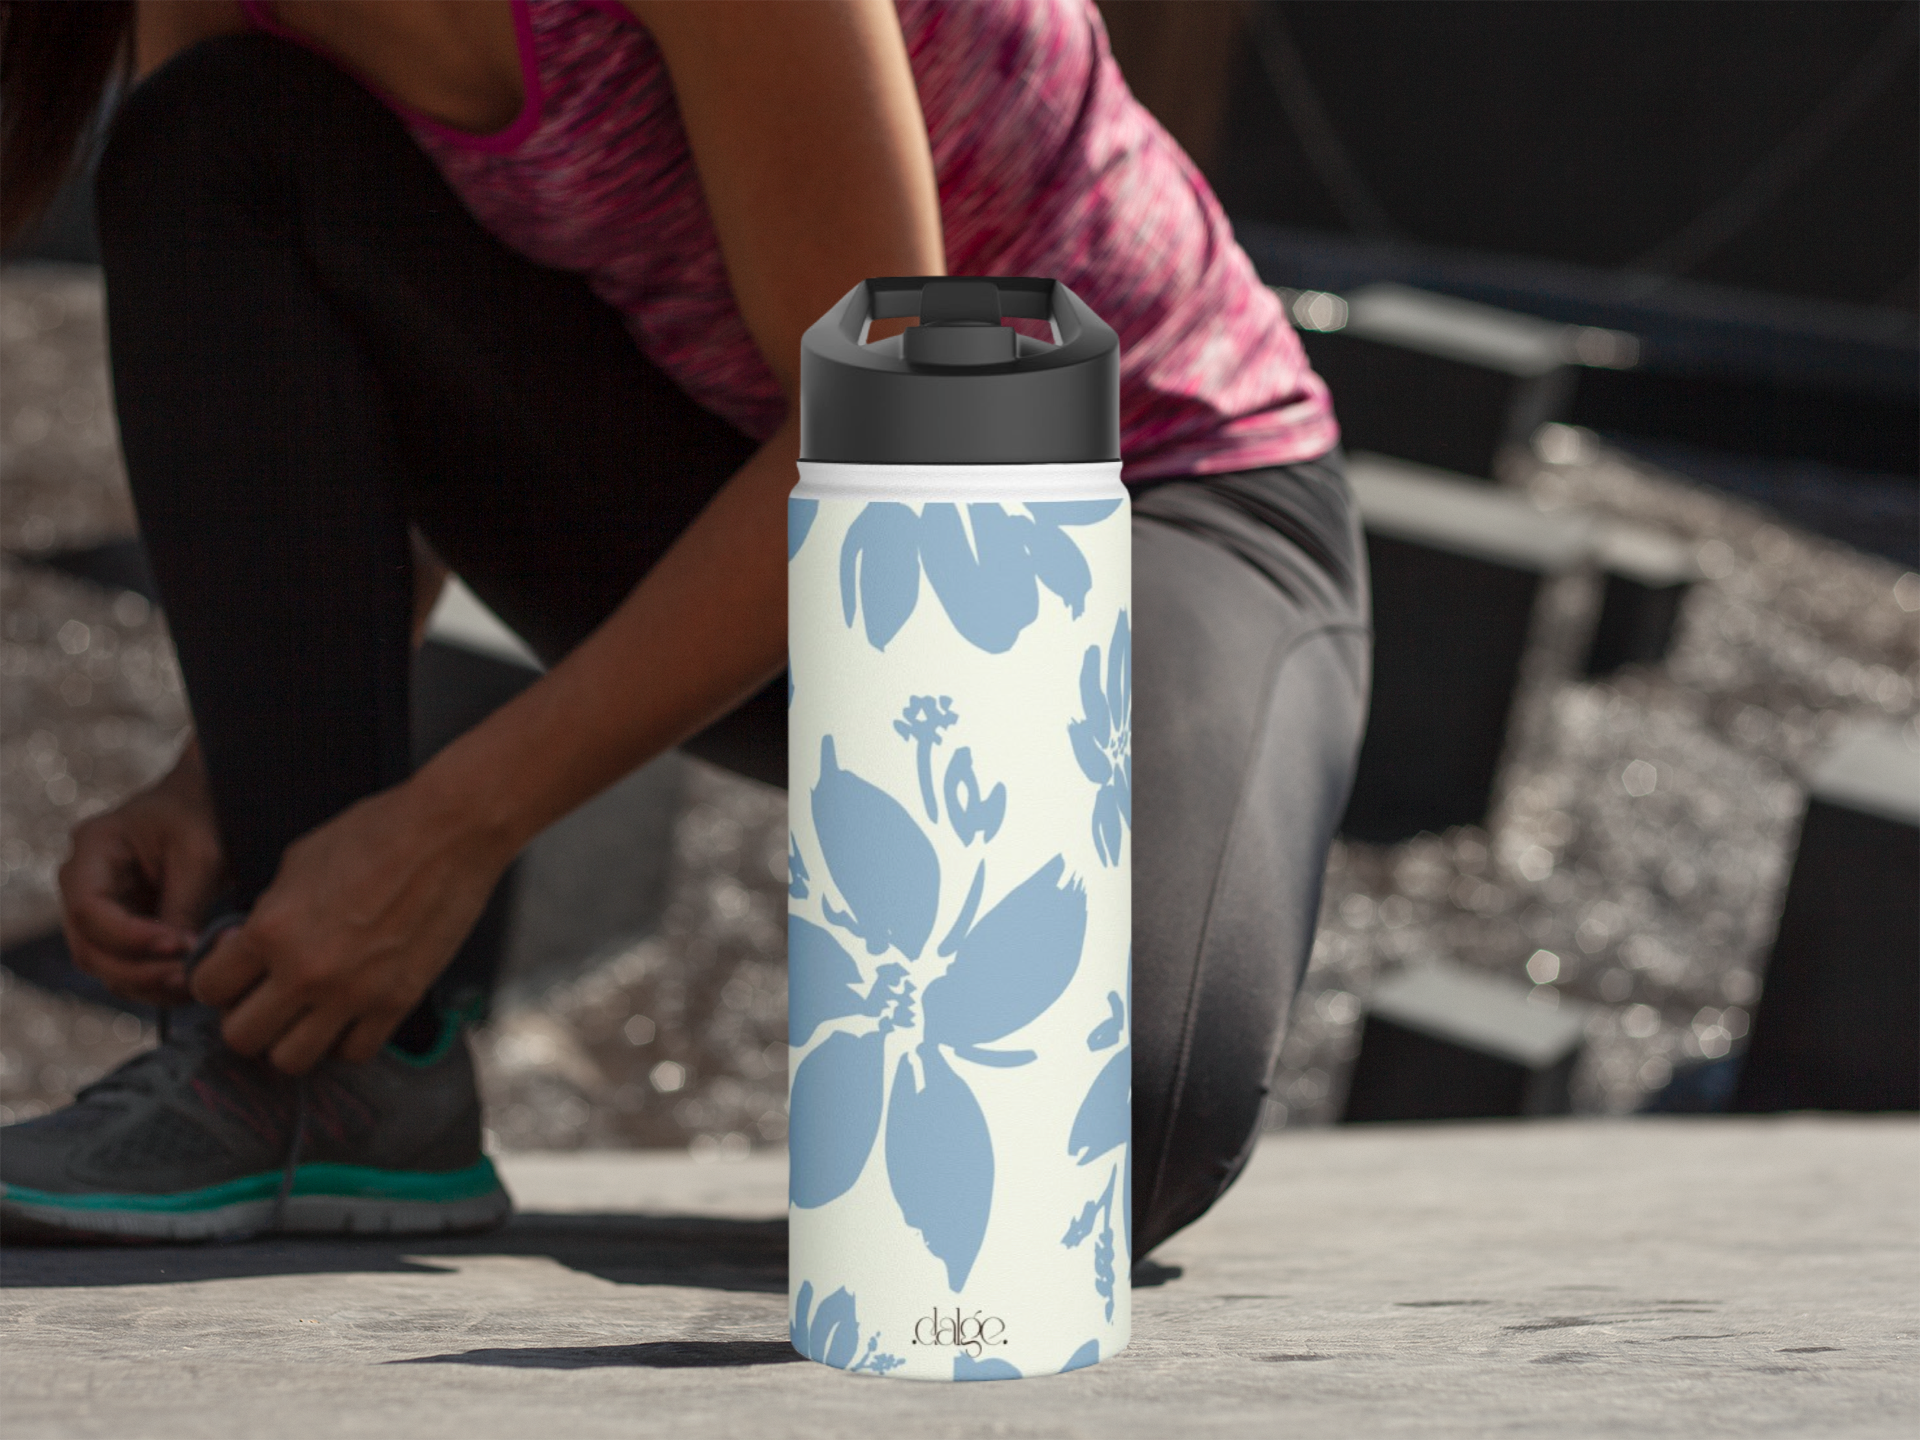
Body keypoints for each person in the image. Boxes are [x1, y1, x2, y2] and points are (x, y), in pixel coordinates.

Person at [0, 0, 1367, 1248]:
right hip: (741, 505)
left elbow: (898, 430)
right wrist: (223, 782)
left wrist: (450, 830)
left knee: (1068, 1179)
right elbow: (364, 366)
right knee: (214, 136)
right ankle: (319, 1077)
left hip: (1141, 503)